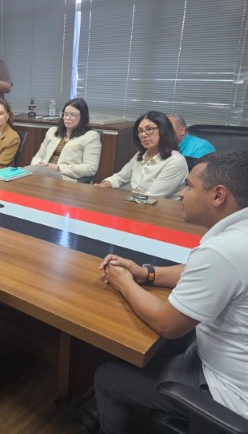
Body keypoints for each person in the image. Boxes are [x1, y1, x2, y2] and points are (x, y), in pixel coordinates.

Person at [95, 151, 248, 432]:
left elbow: (168, 324)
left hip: (230, 393)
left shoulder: (223, 251)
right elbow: (201, 272)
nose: (181, 193)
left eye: (189, 186)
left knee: (108, 377)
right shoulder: (239, 237)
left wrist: (124, 283)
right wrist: (146, 274)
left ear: (218, 195)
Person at [99, 111, 188, 198]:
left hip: (157, 206)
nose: (143, 135)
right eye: (140, 131)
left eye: (149, 129)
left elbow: (151, 197)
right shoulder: (140, 155)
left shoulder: (175, 161)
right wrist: (104, 185)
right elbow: (120, 178)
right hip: (137, 203)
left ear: (164, 130)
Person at [29, 97, 102, 181]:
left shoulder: (91, 136)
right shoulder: (52, 131)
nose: (67, 118)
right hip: (42, 171)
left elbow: (90, 168)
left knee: (25, 173)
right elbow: (38, 156)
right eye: (65, 114)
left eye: (72, 115)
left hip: (65, 177)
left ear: (82, 117)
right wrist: (38, 164)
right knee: (23, 173)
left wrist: (58, 168)